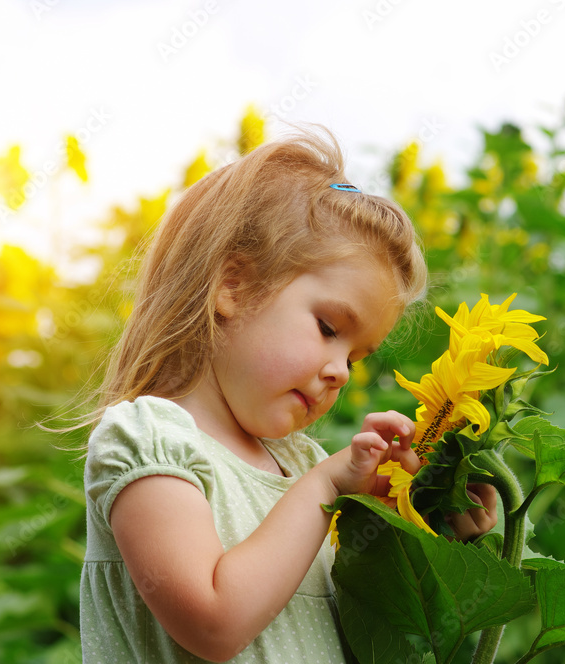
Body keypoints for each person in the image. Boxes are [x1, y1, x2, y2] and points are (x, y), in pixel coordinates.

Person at [78, 127, 497, 663]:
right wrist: (327, 488)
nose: (342, 373)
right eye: (328, 328)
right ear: (233, 286)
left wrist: (433, 528)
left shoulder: (301, 467)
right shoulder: (150, 442)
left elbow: (380, 642)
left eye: (355, 357)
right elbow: (213, 623)